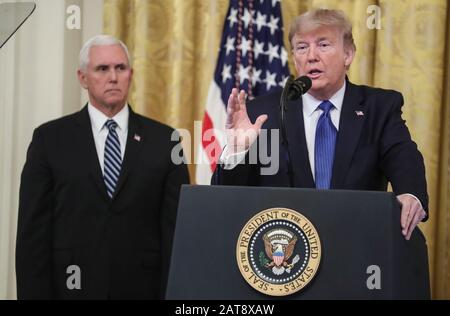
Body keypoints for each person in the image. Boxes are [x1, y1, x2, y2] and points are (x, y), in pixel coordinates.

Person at [212, 9, 428, 240]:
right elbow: (225, 199)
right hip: (284, 255)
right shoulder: (262, 113)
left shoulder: (379, 108)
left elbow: (404, 158)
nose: (311, 56)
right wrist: (236, 150)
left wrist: (410, 195)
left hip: (357, 249)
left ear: (348, 55)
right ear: (294, 56)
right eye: (302, 47)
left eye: (323, 45)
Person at [16, 35, 189, 299]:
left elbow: (176, 232)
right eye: (102, 69)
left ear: (131, 75)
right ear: (83, 77)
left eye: (120, 68)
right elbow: (33, 237)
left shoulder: (165, 141)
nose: (113, 77)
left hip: (143, 290)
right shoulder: (49, 140)